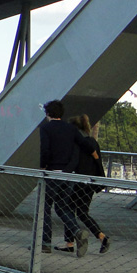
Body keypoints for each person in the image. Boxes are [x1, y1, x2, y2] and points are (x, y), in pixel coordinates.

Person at [39, 99, 94, 257]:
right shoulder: (71, 129)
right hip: (68, 175)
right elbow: (86, 145)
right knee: (62, 207)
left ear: (48, 113)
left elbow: (45, 150)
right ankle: (76, 232)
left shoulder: (46, 128)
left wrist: (43, 166)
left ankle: (45, 243)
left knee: (45, 208)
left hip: (52, 173)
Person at [70, 114, 111, 254]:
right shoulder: (93, 142)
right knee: (82, 212)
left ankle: (72, 239)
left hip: (78, 180)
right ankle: (101, 236)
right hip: (90, 181)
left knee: (67, 208)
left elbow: (74, 161)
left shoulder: (78, 143)